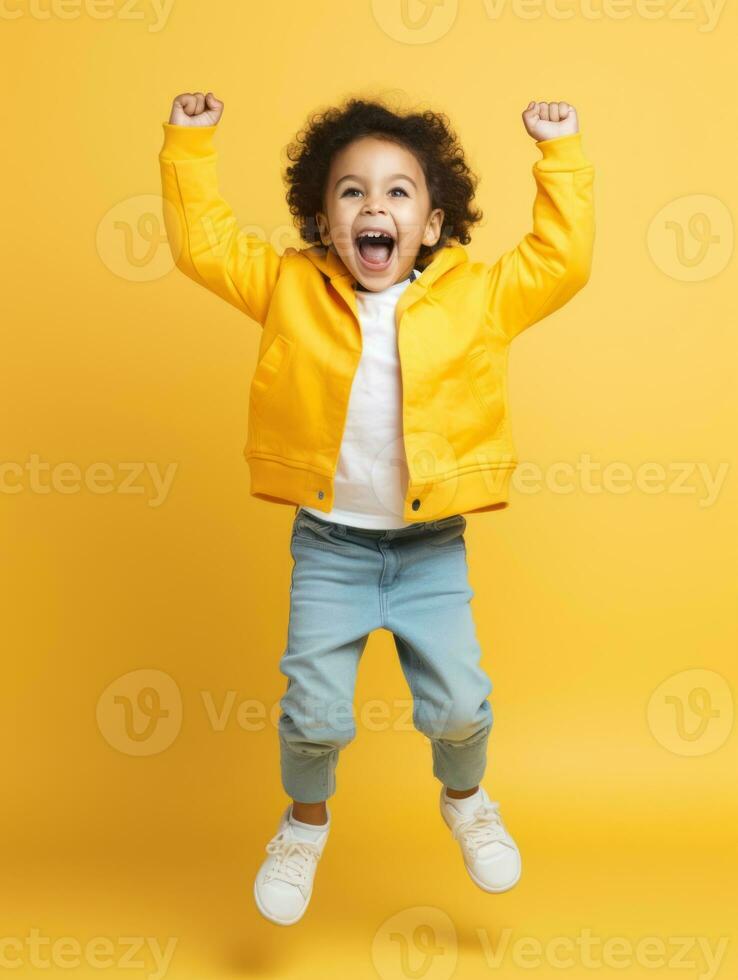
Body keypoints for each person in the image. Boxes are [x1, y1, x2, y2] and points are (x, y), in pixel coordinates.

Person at [159, 91, 595, 926]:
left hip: (431, 547)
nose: (375, 206)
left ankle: (466, 801)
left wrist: (561, 154)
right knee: (314, 715)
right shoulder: (290, 287)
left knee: (460, 705)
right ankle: (304, 825)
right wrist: (190, 140)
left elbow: (560, 261)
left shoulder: (479, 299)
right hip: (331, 547)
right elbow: (203, 246)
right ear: (324, 221)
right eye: (351, 191)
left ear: (432, 225)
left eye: (399, 192)